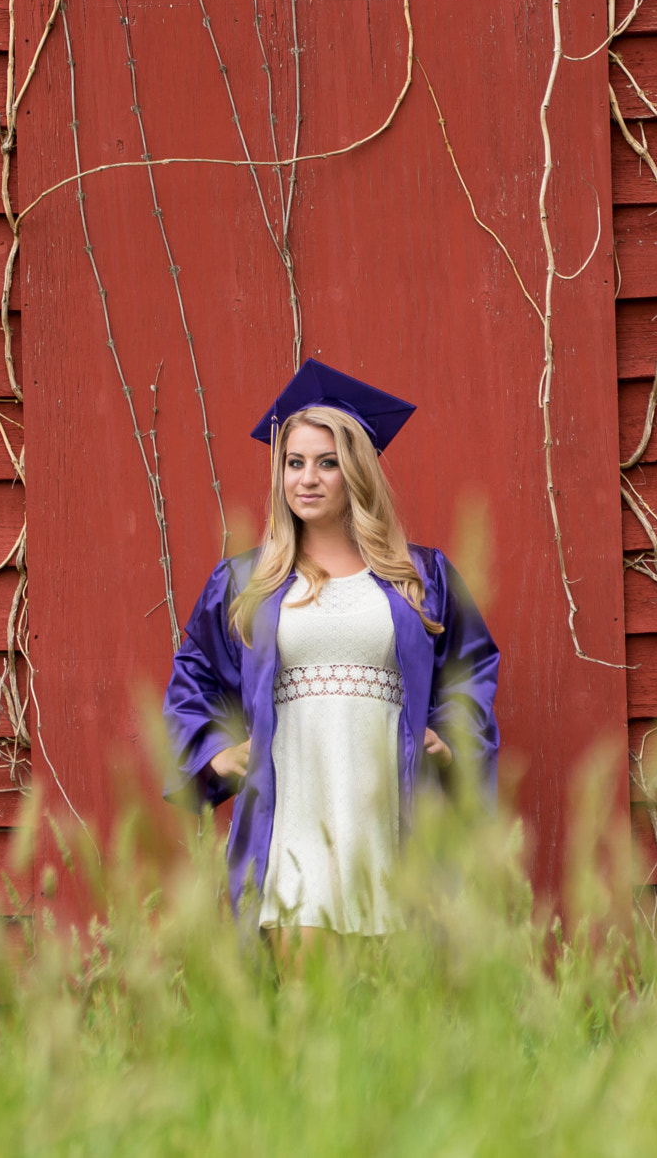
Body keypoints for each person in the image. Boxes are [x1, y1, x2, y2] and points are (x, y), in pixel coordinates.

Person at [161, 359, 500, 942]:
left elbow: (469, 670)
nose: (307, 478)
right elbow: (193, 675)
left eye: (328, 463)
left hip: (386, 803)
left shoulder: (420, 578)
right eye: (294, 463)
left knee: (389, 991)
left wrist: (451, 736)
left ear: (358, 472)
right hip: (293, 801)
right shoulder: (247, 583)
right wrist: (213, 754)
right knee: (302, 989)